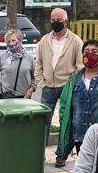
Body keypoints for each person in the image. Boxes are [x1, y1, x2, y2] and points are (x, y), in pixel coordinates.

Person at [56, 39, 98, 167]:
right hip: (79, 135)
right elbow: (64, 104)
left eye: (94, 52)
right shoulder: (73, 80)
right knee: (83, 169)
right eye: (86, 52)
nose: (89, 55)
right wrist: (64, 120)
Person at [34, 8, 83, 152]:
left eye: (58, 20)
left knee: (66, 121)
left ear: (65, 21)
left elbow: (80, 66)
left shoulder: (75, 41)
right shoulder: (45, 40)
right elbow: (39, 63)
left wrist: (71, 84)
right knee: (43, 122)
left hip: (66, 86)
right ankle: (39, 154)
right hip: (48, 86)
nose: (55, 23)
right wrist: (41, 83)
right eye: (53, 20)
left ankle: (62, 153)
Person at [0, 29, 34, 99]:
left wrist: (31, 89)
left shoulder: (29, 58)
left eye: (13, 40)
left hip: (24, 97)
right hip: (6, 96)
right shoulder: (2, 57)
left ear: (20, 40)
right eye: (8, 41)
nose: (11, 43)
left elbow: (34, 77)